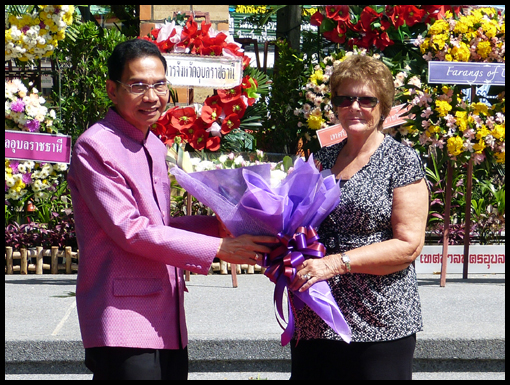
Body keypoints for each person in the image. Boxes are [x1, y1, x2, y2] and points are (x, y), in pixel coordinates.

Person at [67, 38, 277, 380]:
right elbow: (130, 230)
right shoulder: (96, 145)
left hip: (166, 317)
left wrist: (222, 225)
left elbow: (159, 223)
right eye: (137, 85)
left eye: (159, 85)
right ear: (112, 90)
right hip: (124, 318)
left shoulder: (151, 142)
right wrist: (220, 248)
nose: (151, 96)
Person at [288, 54, 430, 380]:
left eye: (366, 99)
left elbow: (408, 245)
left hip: (379, 320)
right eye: (345, 98)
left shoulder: (401, 160)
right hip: (317, 318)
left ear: (383, 107)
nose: (354, 107)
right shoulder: (321, 159)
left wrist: (335, 263)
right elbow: (295, 224)